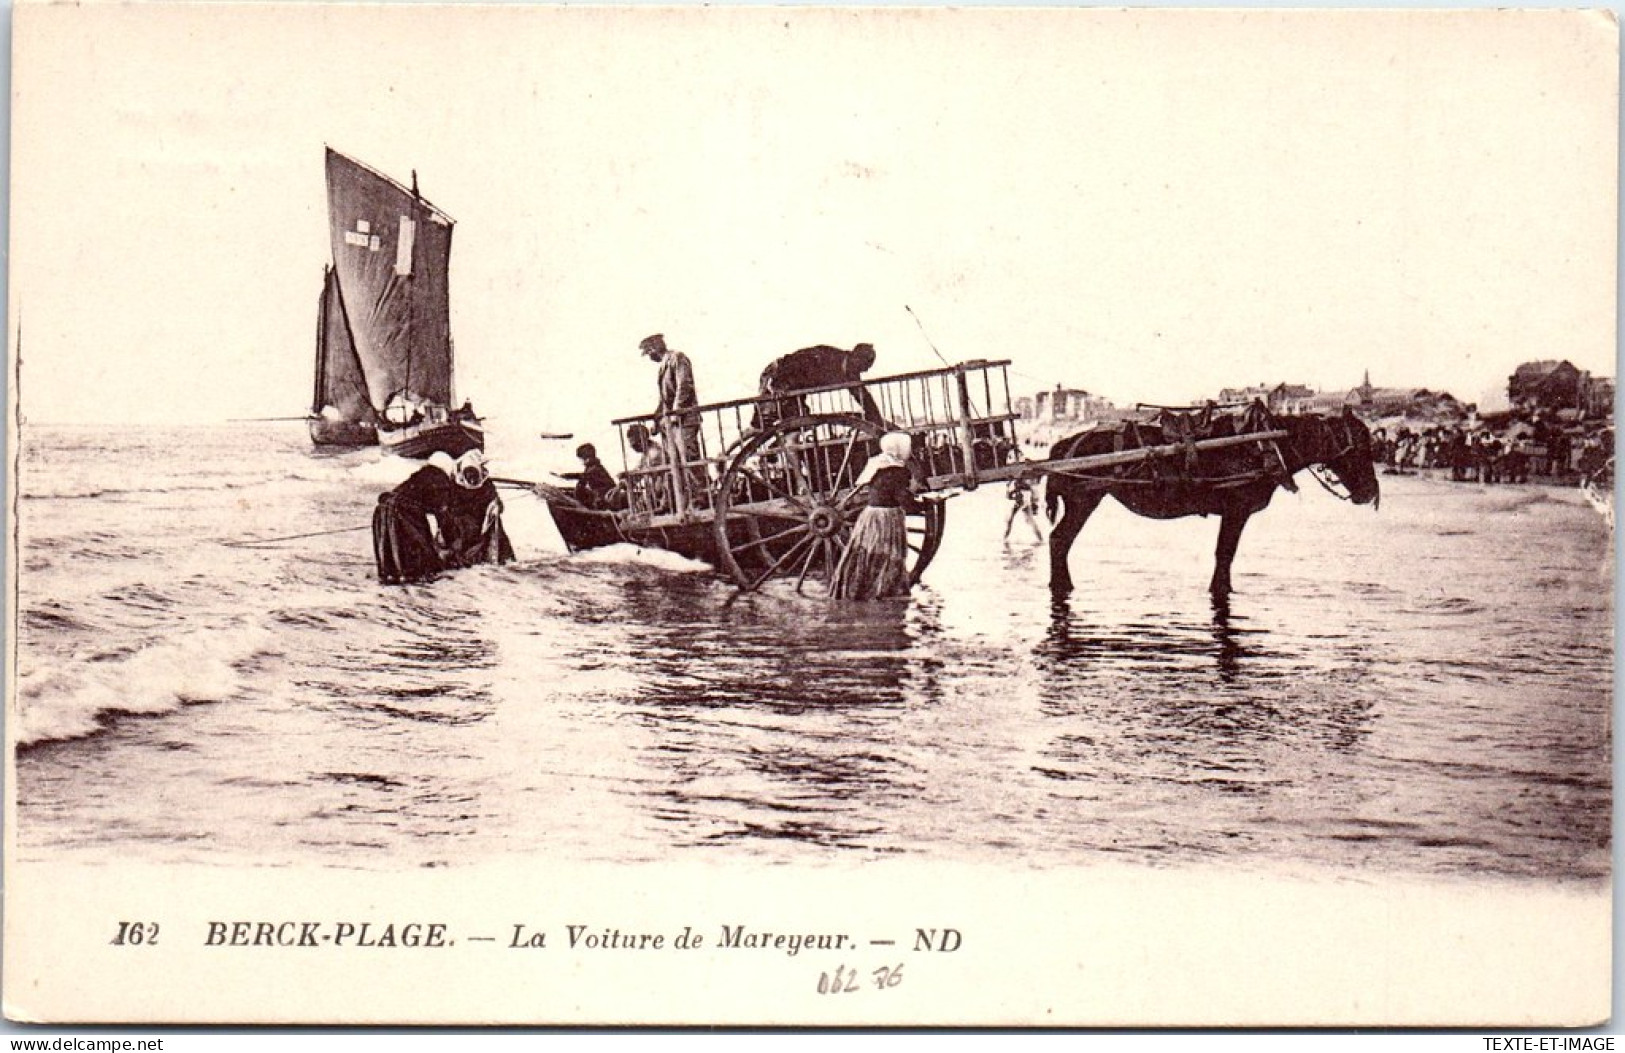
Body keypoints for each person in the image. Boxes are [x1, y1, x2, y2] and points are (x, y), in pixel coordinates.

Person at [373, 449, 513, 585]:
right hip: (405, 512)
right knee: (419, 548)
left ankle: (393, 575)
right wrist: (450, 545)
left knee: (392, 547)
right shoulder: (442, 482)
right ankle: (414, 575)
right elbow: (443, 516)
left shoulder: (421, 476)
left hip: (384, 509)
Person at [830, 431, 929, 600]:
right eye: (907, 447)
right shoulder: (896, 471)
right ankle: (883, 592)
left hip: (871, 517)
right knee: (889, 556)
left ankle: (856, 591)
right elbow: (903, 500)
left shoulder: (878, 465)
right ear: (899, 449)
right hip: (886, 519)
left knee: (868, 554)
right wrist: (924, 505)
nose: (909, 450)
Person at [753, 343, 882, 429]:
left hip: (795, 387)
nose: (864, 371)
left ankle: (776, 448)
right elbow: (792, 361)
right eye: (864, 367)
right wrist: (777, 384)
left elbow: (863, 397)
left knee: (800, 423)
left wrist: (877, 421)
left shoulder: (850, 372)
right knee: (763, 421)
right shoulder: (826, 356)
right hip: (778, 375)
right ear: (855, 358)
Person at [565, 443, 616, 509]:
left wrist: (569, 476)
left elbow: (584, 476)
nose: (583, 462)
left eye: (583, 459)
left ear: (589, 458)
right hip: (600, 494)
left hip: (605, 496)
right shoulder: (591, 467)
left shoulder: (595, 468)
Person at [1003, 475, 1044, 543]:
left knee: (1012, 520)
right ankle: (1040, 538)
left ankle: (1040, 538)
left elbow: (1013, 496)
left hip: (1023, 503)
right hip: (1022, 503)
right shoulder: (1019, 485)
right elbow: (1009, 496)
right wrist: (1008, 488)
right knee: (1029, 522)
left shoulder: (1023, 486)